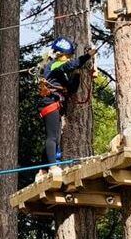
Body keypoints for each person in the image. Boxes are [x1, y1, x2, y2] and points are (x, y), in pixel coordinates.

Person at [37, 36, 97, 180]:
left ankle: (42, 170)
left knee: (55, 137)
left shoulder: (60, 73)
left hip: (54, 105)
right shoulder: (53, 66)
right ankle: (52, 167)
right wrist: (87, 56)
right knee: (52, 137)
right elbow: (70, 65)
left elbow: (71, 89)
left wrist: (77, 75)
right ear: (61, 55)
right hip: (49, 103)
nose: (69, 59)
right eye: (68, 56)